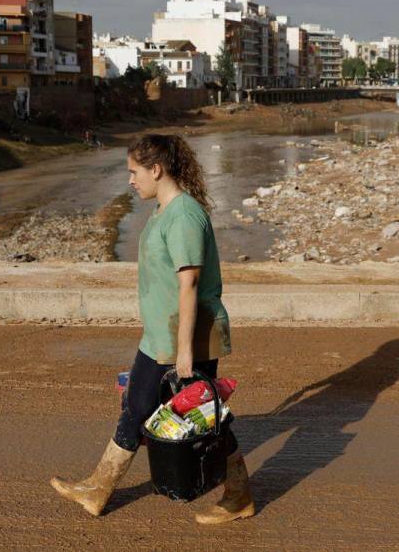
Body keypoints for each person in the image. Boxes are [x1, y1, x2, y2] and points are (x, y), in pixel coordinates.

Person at [50, 134, 254, 524]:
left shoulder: (184, 216)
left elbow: (189, 285)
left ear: (156, 169)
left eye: (134, 172)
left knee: (198, 418)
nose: (130, 180)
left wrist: (184, 352)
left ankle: (239, 495)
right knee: (145, 409)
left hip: (180, 338)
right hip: (160, 336)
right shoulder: (164, 211)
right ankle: (98, 487)